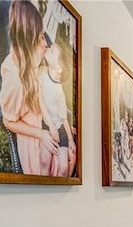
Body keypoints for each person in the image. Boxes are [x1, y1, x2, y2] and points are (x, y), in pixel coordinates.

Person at [0, 0, 58, 175]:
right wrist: (40, 134)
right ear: (28, 39)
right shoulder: (15, 78)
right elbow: (8, 120)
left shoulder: (32, 65)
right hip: (33, 141)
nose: (45, 43)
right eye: (40, 37)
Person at [40, 42, 76, 177]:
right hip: (46, 124)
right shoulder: (41, 72)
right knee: (44, 160)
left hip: (60, 128)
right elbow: (40, 101)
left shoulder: (59, 91)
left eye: (52, 51)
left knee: (64, 167)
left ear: (59, 68)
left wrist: (71, 140)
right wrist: (50, 126)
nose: (48, 49)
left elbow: (63, 118)